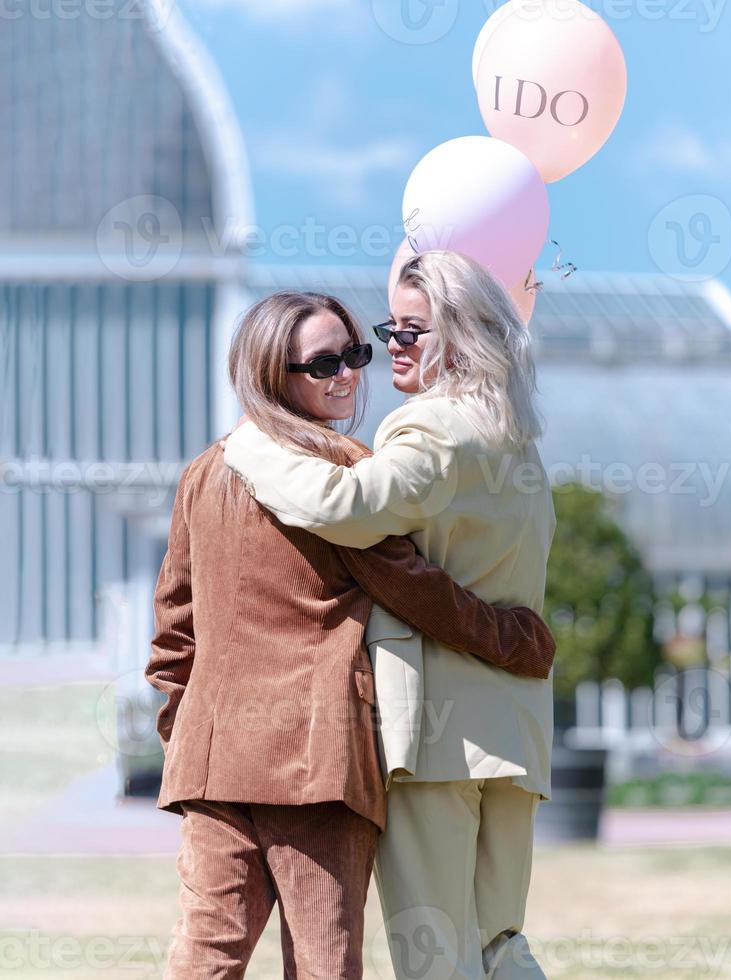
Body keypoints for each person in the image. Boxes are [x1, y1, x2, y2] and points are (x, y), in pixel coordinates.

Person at [146, 288, 555, 980]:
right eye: (323, 363)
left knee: (206, 956)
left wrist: (181, 733)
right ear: (271, 371)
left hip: (214, 758)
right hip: (318, 759)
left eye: (355, 354)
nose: (346, 374)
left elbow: (171, 630)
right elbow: (416, 591)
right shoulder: (341, 469)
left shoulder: (205, 471)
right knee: (323, 962)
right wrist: (514, 639)